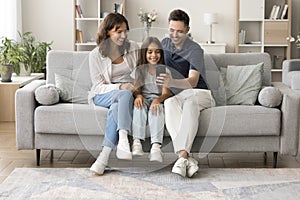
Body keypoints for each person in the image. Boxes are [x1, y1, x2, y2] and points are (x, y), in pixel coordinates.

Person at [157, 9, 216, 177]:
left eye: (179, 31)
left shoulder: (195, 50)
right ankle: (185, 159)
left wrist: (172, 82)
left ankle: (182, 156)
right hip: (179, 96)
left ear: (187, 30)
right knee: (169, 103)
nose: (174, 35)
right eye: (171, 30)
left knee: (190, 101)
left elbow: (193, 82)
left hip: (201, 93)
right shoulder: (165, 44)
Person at [88, 13, 139, 175]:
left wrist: (134, 89)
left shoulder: (133, 48)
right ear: (107, 32)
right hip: (103, 93)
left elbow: (140, 75)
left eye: (125, 31)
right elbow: (98, 87)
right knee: (122, 94)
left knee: (118, 104)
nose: (123, 36)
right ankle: (123, 138)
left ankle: (103, 157)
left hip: (126, 94)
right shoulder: (95, 55)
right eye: (118, 31)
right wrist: (120, 87)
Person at [131, 37, 173, 162]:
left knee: (157, 110)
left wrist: (158, 100)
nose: (154, 55)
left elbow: (167, 93)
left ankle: (156, 147)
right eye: (150, 52)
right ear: (145, 53)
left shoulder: (164, 70)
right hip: (144, 98)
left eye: (157, 52)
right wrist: (138, 96)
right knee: (138, 107)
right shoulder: (140, 70)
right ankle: (137, 142)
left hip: (158, 99)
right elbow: (136, 90)